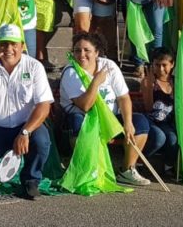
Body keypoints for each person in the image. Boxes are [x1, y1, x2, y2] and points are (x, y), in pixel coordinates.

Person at [0, 24, 53, 200]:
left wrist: (25, 132)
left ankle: (31, 180)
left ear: (22, 45)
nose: (8, 49)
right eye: (4, 44)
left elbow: (44, 105)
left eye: (13, 44)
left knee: (42, 142)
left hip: (25, 125)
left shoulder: (34, 66)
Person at [60, 31, 157, 186]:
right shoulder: (71, 71)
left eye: (87, 50)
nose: (81, 55)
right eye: (77, 50)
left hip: (110, 118)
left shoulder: (109, 66)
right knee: (77, 122)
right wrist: (96, 82)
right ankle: (87, 169)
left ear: (97, 52)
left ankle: (127, 170)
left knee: (140, 123)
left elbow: (123, 97)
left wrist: (127, 122)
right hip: (85, 118)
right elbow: (85, 105)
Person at [140, 48, 178, 172]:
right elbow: (148, 107)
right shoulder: (148, 81)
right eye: (157, 65)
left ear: (172, 65)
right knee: (159, 137)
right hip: (150, 120)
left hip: (166, 122)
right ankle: (139, 161)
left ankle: (168, 166)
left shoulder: (175, 82)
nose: (161, 69)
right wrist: (149, 87)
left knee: (173, 139)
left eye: (164, 65)